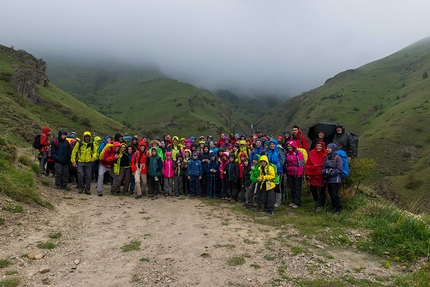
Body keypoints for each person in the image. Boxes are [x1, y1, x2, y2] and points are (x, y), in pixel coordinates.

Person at [322, 143, 344, 215]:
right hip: (329, 179)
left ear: (333, 149)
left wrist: (331, 173)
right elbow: (323, 167)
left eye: (329, 148)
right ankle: (333, 208)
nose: (327, 149)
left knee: (334, 194)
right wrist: (324, 173)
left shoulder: (338, 157)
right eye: (327, 148)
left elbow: (339, 169)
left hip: (336, 179)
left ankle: (338, 209)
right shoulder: (326, 158)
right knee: (331, 194)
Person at [305, 141, 327, 211]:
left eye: (320, 146)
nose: (318, 147)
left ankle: (321, 205)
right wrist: (308, 173)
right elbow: (308, 163)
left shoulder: (325, 154)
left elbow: (326, 164)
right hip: (313, 175)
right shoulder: (312, 153)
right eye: (317, 146)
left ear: (322, 147)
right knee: (313, 189)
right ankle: (316, 200)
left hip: (322, 175)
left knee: (322, 190)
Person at [284, 140, 305, 209]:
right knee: (292, 187)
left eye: (290, 146)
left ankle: (297, 202)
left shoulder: (298, 153)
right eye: (288, 146)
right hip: (289, 173)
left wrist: (299, 173)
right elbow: (286, 163)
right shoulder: (287, 154)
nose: (289, 147)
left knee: (297, 188)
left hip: (297, 172)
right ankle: (293, 201)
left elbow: (301, 164)